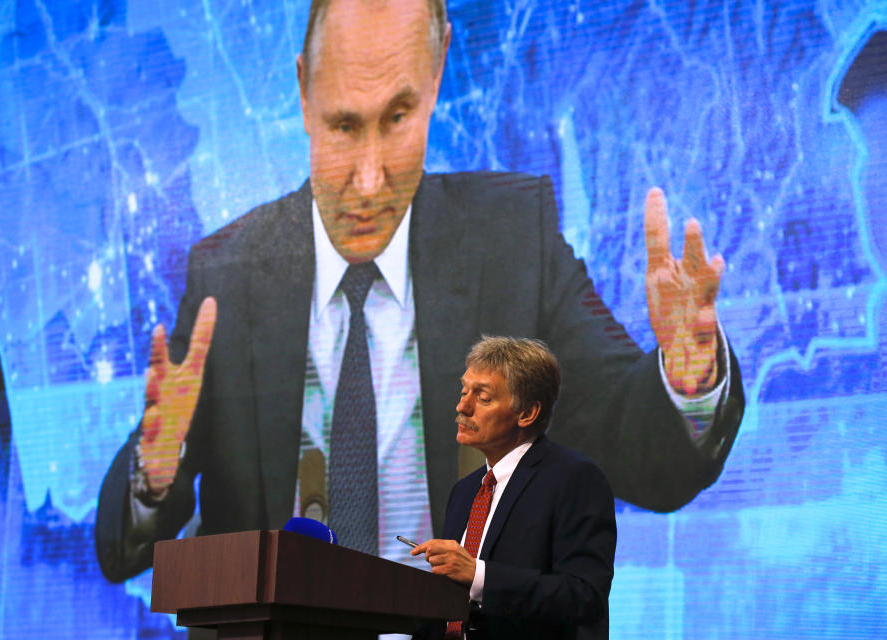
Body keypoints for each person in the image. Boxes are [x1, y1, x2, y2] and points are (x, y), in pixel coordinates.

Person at [95, 0, 745, 583]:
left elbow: (645, 459)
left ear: (436, 80)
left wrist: (689, 383)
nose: (370, 180)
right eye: (344, 125)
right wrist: (154, 477)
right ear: (302, 92)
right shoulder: (227, 274)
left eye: (398, 117)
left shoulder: (516, 240)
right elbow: (121, 550)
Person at [412, 336, 615, 639]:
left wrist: (479, 575)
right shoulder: (465, 491)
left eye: (482, 397)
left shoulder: (574, 478)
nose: (462, 406)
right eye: (464, 390)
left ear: (527, 413)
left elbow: (584, 596)